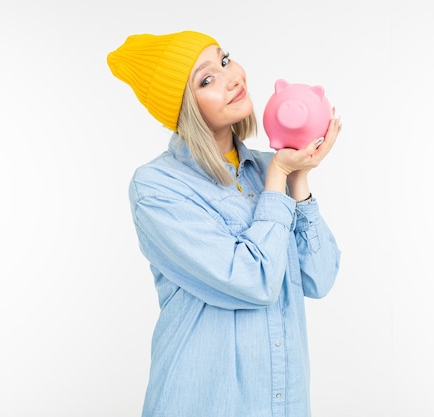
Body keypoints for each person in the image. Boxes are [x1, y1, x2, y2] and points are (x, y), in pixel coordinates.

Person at [107, 30, 342, 417]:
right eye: (207, 79)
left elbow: (320, 278)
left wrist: (298, 178)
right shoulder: (157, 188)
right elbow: (254, 281)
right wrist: (279, 176)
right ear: (185, 108)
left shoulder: (270, 170)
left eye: (225, 59)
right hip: (203, 401)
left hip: (281, 401)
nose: (231, 77)